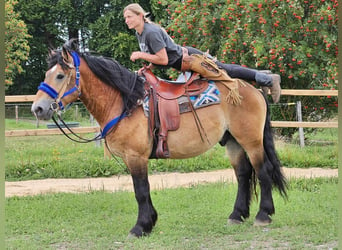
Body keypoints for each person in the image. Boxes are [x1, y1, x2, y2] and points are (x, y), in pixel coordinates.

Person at [123, 3, 281, 103]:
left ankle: (268, 79)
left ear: (140, 16)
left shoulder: (151, 32)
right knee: (223, 71)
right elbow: (156, 55)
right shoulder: (140, 33)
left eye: (129, 16)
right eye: (125, 18)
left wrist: (140, 55)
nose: (127, 20)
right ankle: (262, 75)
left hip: (190, 60)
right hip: (184, 63)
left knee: (223, 70)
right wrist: (148, 67)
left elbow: (163, 59)